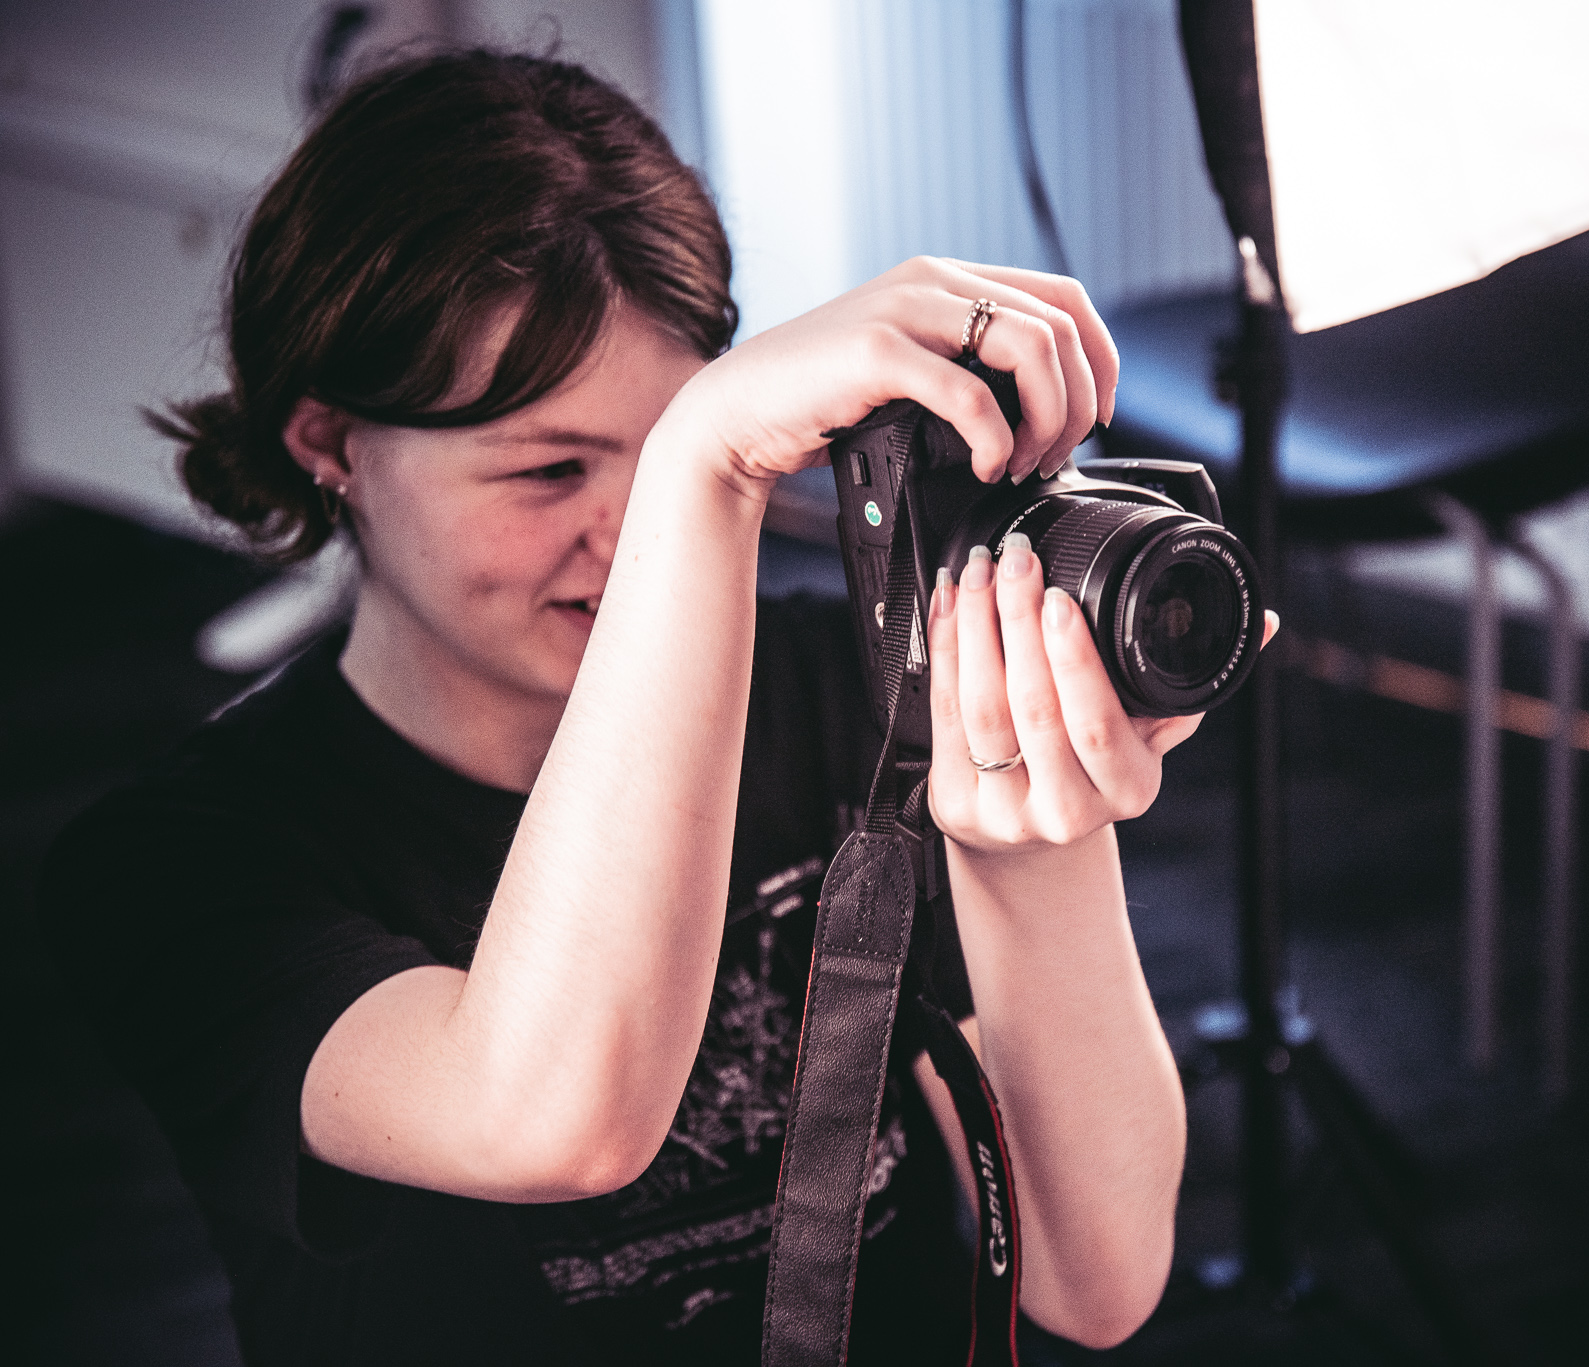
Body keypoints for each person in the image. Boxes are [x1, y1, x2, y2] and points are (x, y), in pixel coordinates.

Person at [39, 48, 1270, 1367]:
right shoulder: (177, 870)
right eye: (550, 468)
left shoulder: (852, 688)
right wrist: (703, 460)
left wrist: (1039, 837)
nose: (632, 538)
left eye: (669, 439)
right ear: (333, 446)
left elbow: (1098, 1278)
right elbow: (552, 1118)